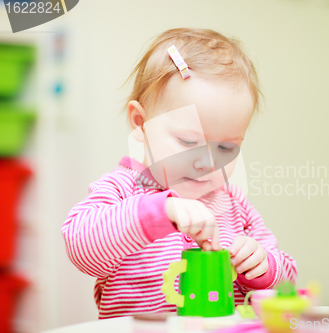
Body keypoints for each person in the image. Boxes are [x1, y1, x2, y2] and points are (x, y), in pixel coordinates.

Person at [61, 28, 297, 319]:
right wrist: (159, 213)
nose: (206, 163)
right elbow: (81, 248)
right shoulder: (124, 190)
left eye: (225, 147)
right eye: (189, 142)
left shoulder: (235, 205)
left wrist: (264, 268)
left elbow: (288, 282)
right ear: (140, 122)